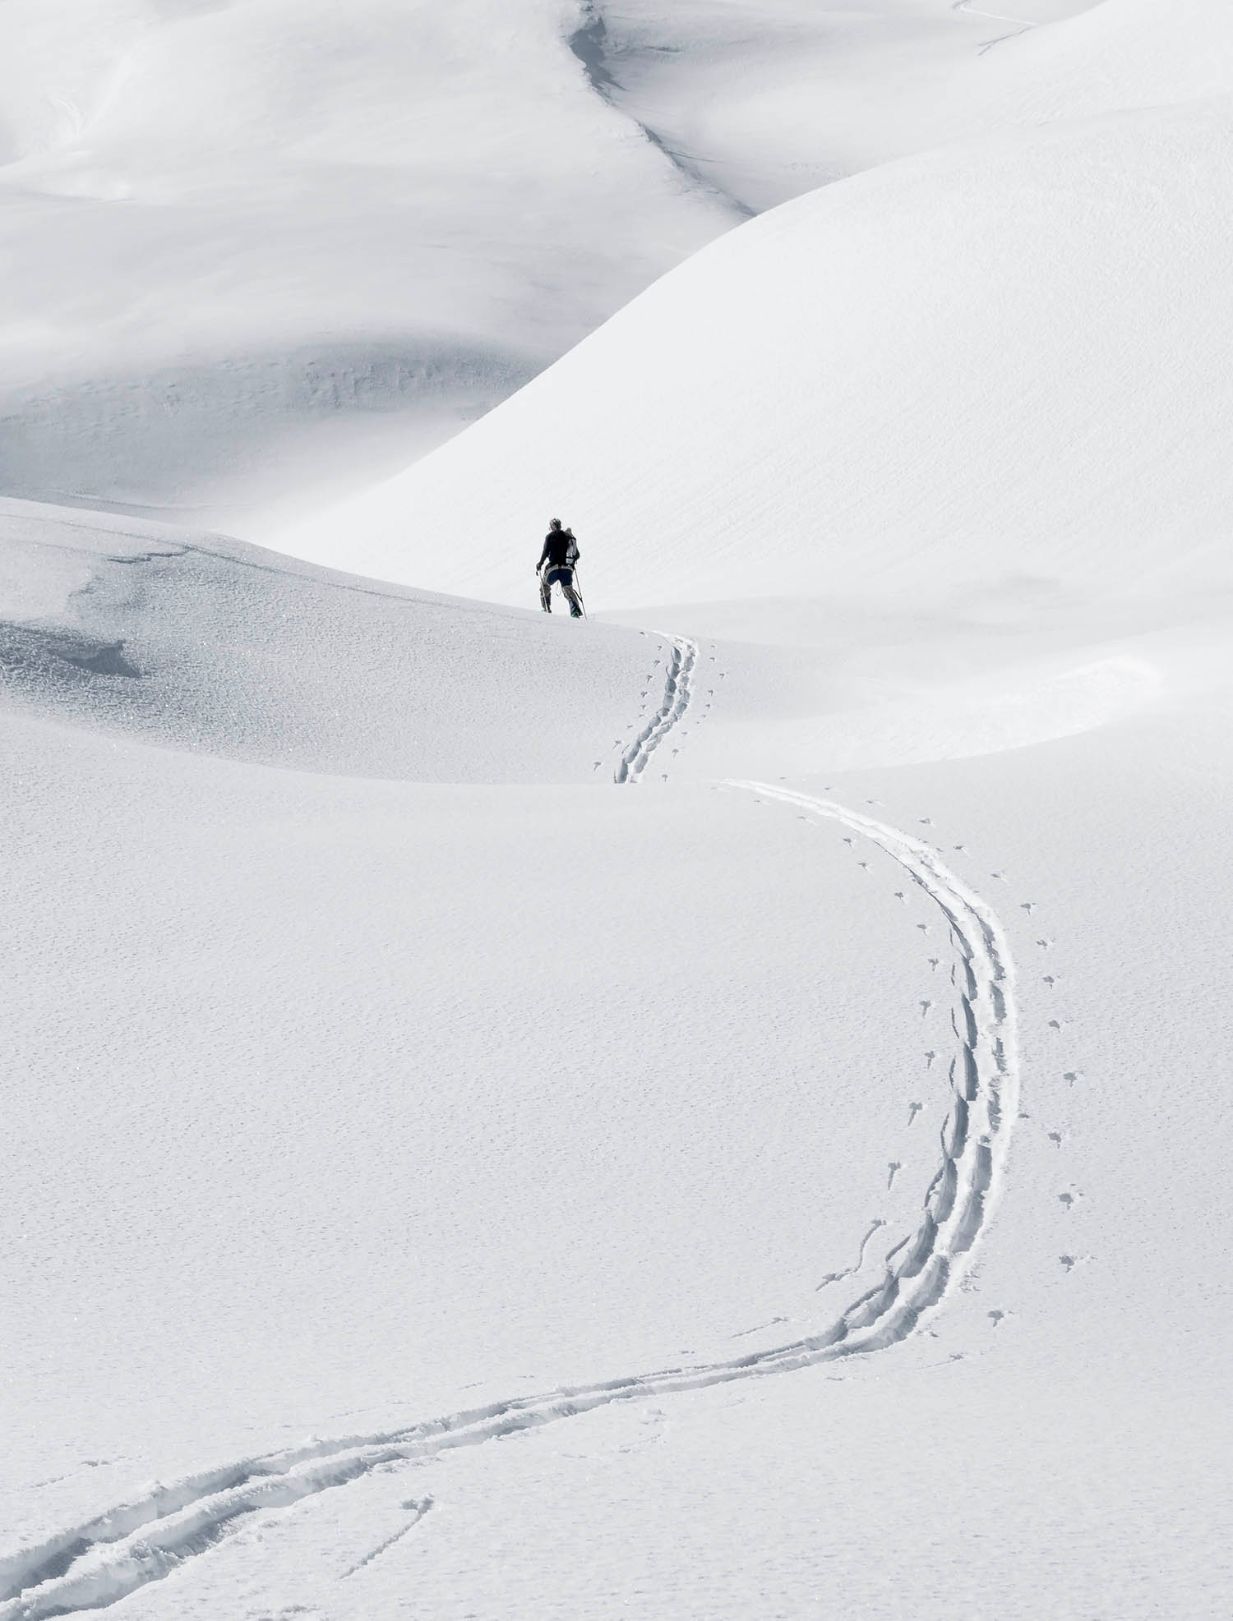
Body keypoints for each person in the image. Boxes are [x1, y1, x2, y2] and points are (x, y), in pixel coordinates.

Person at [537, 518, 584, 618]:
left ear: (552, 526)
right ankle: (575, 610)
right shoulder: (568, 536)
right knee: (568, 588)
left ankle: (546, 607)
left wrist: (540, 564)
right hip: (567, 569)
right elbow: (577, 555)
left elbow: (545, 552)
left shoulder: (549, 536)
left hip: (553, 568)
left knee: (544, 585)